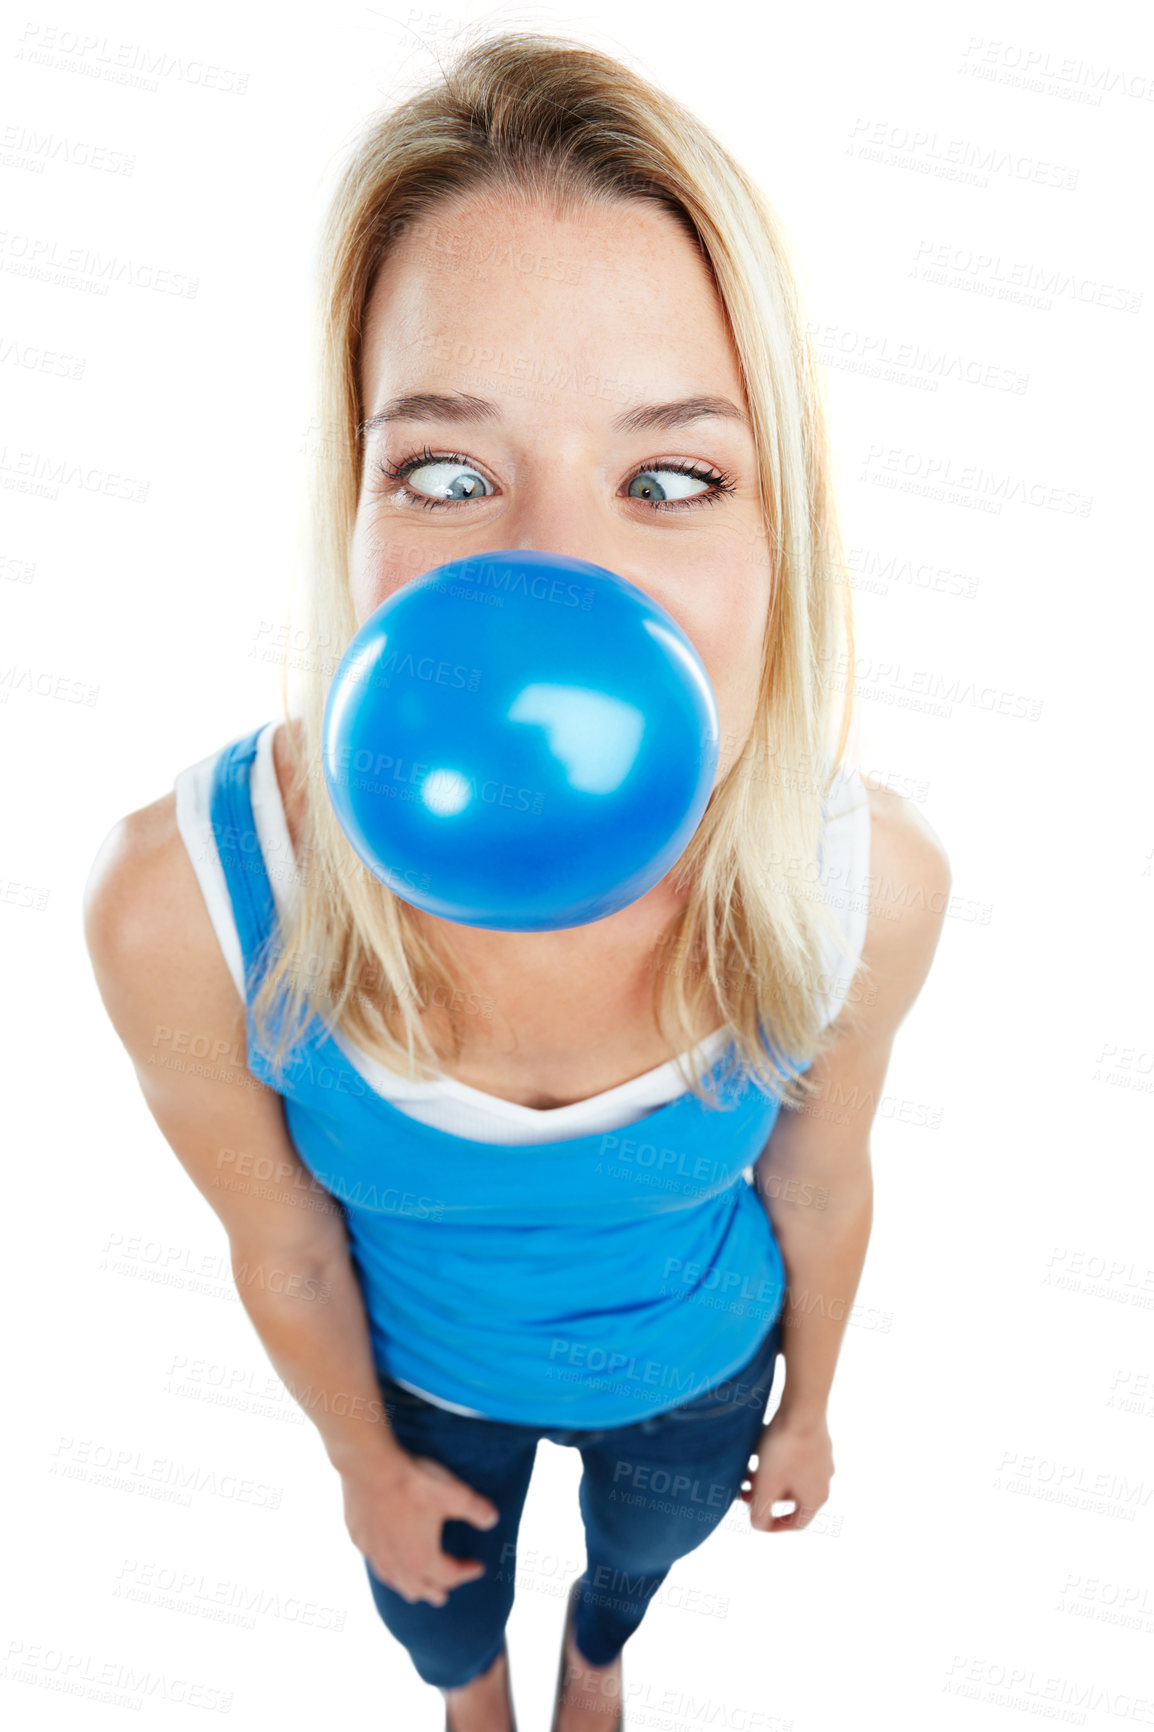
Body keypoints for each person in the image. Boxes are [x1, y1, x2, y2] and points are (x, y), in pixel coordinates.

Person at [82, 31, 950, 1732]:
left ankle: (599, 1659)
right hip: (426, 1392)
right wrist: (358, 1470)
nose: (557, 588)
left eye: (673, 477)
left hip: (696, 1381)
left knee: (637, 1559)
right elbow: (285, 1251)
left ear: (784, 534)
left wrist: (811, 1408)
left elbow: (823, 1185)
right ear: (353, 505)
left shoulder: (868, 885)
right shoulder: (183, 905)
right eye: (451, 473)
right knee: (433, 1621)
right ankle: (475, 1695)